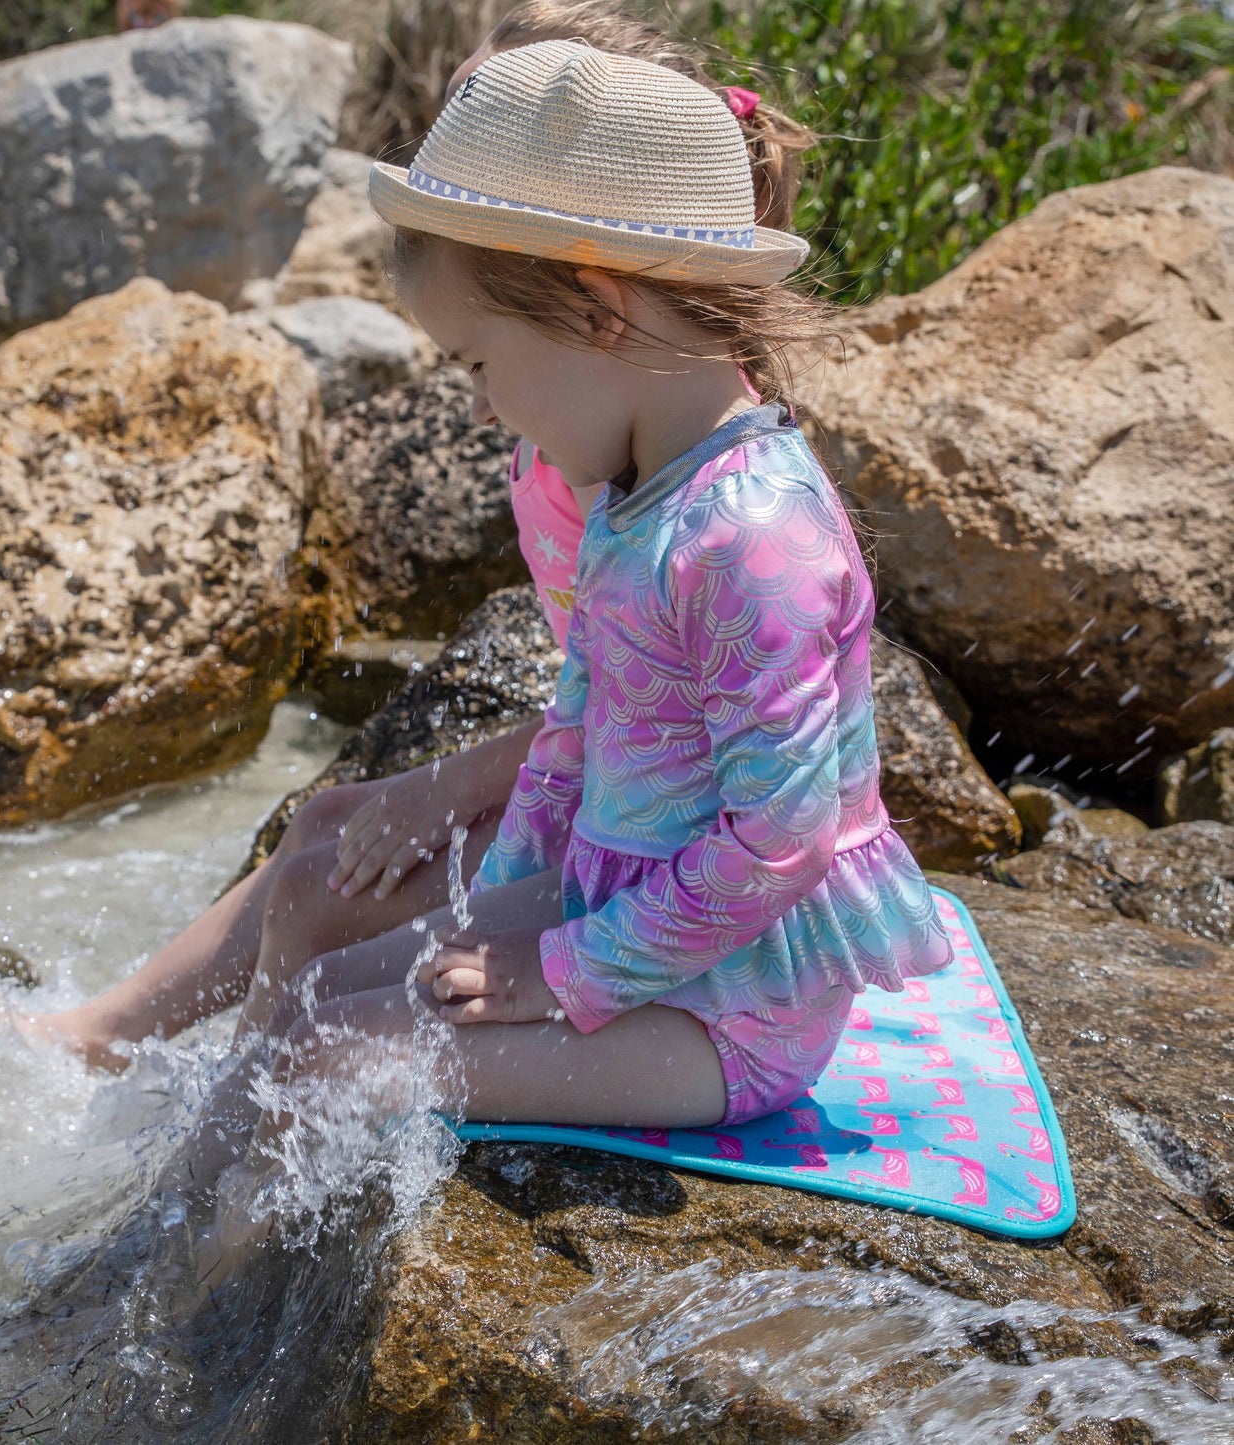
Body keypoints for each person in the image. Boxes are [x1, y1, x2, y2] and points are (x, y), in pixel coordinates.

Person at [0, 0, 815, 1073]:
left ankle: (220, 1085)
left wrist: (460, 798)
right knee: (324, 827)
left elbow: (700, 763)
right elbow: (603, 706)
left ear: (586, 295)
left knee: (318, 903)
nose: (477, 403)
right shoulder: (604, 441)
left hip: (653, 845)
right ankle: (132, 1048)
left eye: (479, 130)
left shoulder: (648, 478)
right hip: (615, 802)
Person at [190, 39, 953, 1291]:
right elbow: (576, 730)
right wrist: (504, 909)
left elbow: (782, 840)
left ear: (599, 310)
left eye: (479, 365)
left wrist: (556, 972)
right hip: (624, 926)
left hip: (732, 1013)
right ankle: (159, 1228)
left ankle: (185, 1310)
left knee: (336, 1051)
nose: (482, 409)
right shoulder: (634, 495)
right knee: (320, 988)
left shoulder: (751, 536)